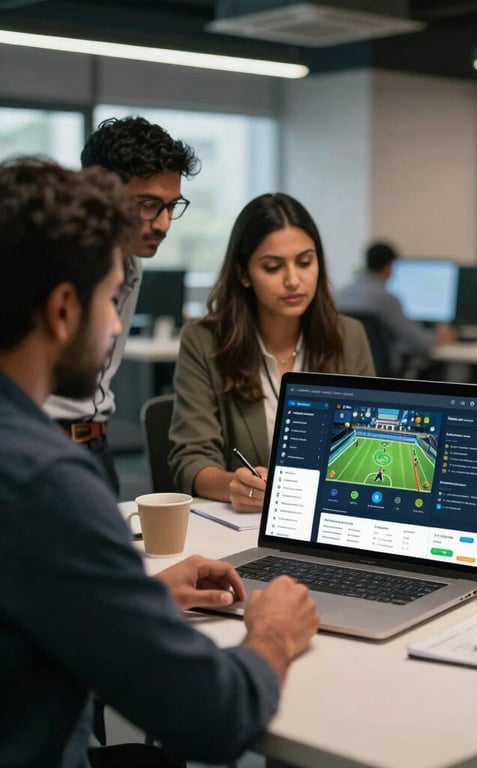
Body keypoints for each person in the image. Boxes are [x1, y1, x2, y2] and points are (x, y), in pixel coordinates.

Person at [0, 159, 319, 767]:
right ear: (63, 310)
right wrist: (273, 634)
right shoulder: (47, 483)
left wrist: (133, 598)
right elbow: (214, 717)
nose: (116, 323)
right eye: (109, 298)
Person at [169, 193, 375, 512]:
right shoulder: (204, 341)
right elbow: (191, 460)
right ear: (244, 274)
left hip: (330, 515)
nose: (293, 280)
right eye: (273, 267)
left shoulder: (348, 336)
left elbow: (369, 443)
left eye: (305, 262)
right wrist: (234, 486)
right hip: (243, 524)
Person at [44, 116, 199, 493]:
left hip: (95, 442)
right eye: (148, 205)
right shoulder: (52, 265)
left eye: (171, 206)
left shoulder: (131, 263)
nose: (163, 224)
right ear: (99, 194)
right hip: (44, 445)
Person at [335, 241, 456, 373]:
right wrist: (439, 338)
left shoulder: (341, 294)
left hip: (351, 369)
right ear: (389, 267)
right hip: (381, 372)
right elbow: (419, 342)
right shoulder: (384, 299)